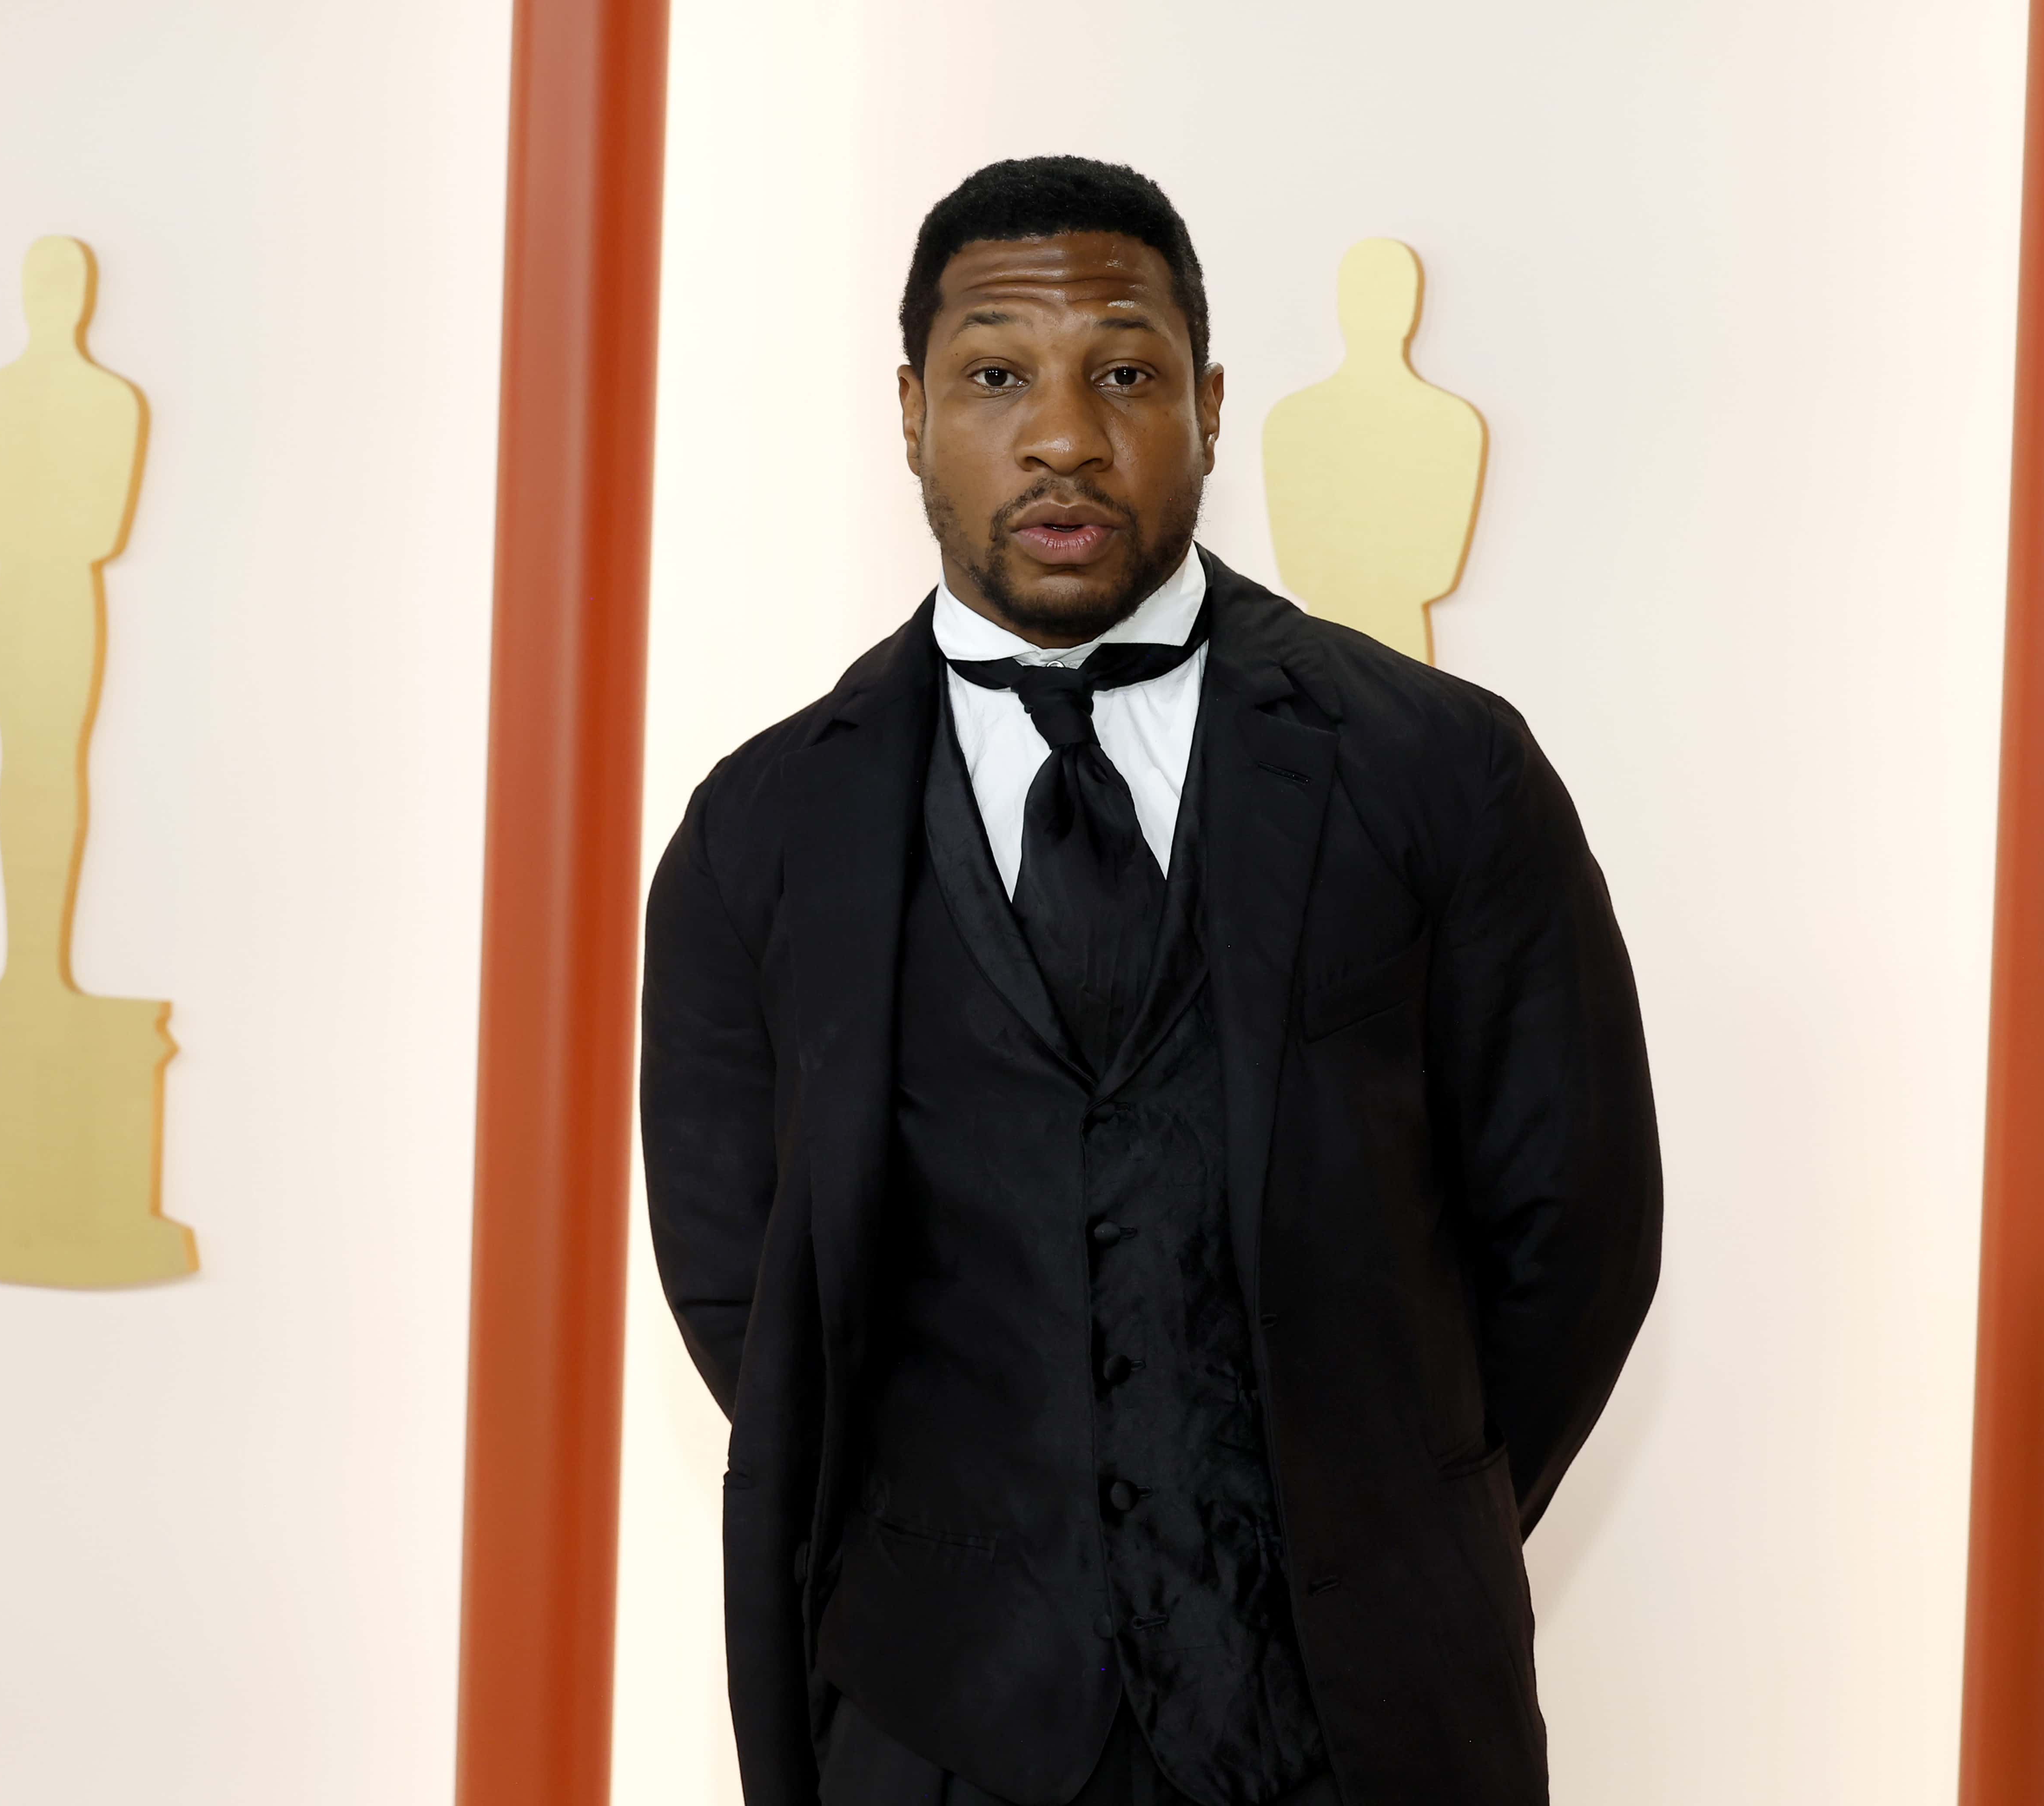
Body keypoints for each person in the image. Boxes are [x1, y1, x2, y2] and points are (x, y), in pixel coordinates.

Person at [641, 156, 1661, 1806]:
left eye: (1126, 373)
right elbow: (743, 1299)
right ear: (908, 413)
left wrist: (1371, 1531)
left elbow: (1577, 1238)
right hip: (929, 1732)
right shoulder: (754, 834)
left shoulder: (1442, 776)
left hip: (1360, 1730)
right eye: (994, 377)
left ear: (1210, 406)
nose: (1063, 435)